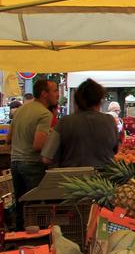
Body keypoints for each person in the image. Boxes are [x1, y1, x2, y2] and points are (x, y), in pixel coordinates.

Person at [10, 79, 59, 230]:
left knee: (21, 205)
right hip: (31, 164)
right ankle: (38, 242)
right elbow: (38, 145)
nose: (57, 94)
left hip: (15, 162)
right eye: (55, 91)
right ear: (44, 94)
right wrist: (53, 140)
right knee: (36, 207)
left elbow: (8, 138)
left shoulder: (22, 109)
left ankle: (18, 238)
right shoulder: (45, 113)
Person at [42, 79, 117, 168]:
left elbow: (46, 158)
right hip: (104, 178)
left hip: (71, 178)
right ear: (99, 100)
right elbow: (115, 150)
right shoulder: (110, 121)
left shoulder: (65, 122)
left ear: (77, 100)